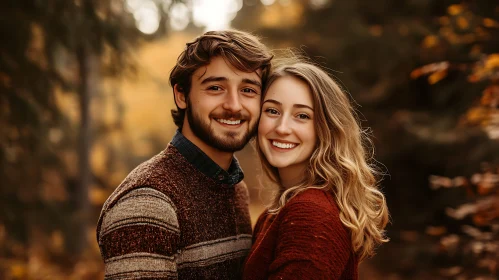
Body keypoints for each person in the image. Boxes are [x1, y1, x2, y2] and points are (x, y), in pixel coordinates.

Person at [96, 30, 272, 279]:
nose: (234, 105)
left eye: (248, 90)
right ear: (182, 95)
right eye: (215, 87)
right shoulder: (149, 204)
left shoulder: (234, 187)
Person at [243, 60, 389, 280]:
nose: (282, 128)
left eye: (302, 116)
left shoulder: (311, 213)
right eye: (272, 111)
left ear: (326, 129)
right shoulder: (279, 210)